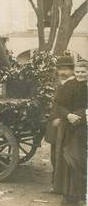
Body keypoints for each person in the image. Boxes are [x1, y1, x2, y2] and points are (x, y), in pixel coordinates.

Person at [53, 59, 87, 204]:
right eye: (78, 72)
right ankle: (71, 197)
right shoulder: (68, 86)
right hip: (71, 130)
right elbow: (58, 105)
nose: (80, 74)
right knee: (71, 161)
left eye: (83, 72)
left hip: (84, 128)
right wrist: (68, 115)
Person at [45, 55, 75, 191]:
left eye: (65, 70)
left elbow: (71, 107)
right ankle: (57, 185)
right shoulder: (62, 84)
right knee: (55, 156)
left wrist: (62, 118)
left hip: (65, 126)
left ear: (72, 70)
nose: (62, 72)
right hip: (57, 125)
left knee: (62, 156)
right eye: (60, 69)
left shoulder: (73, 85)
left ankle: (62, 186)